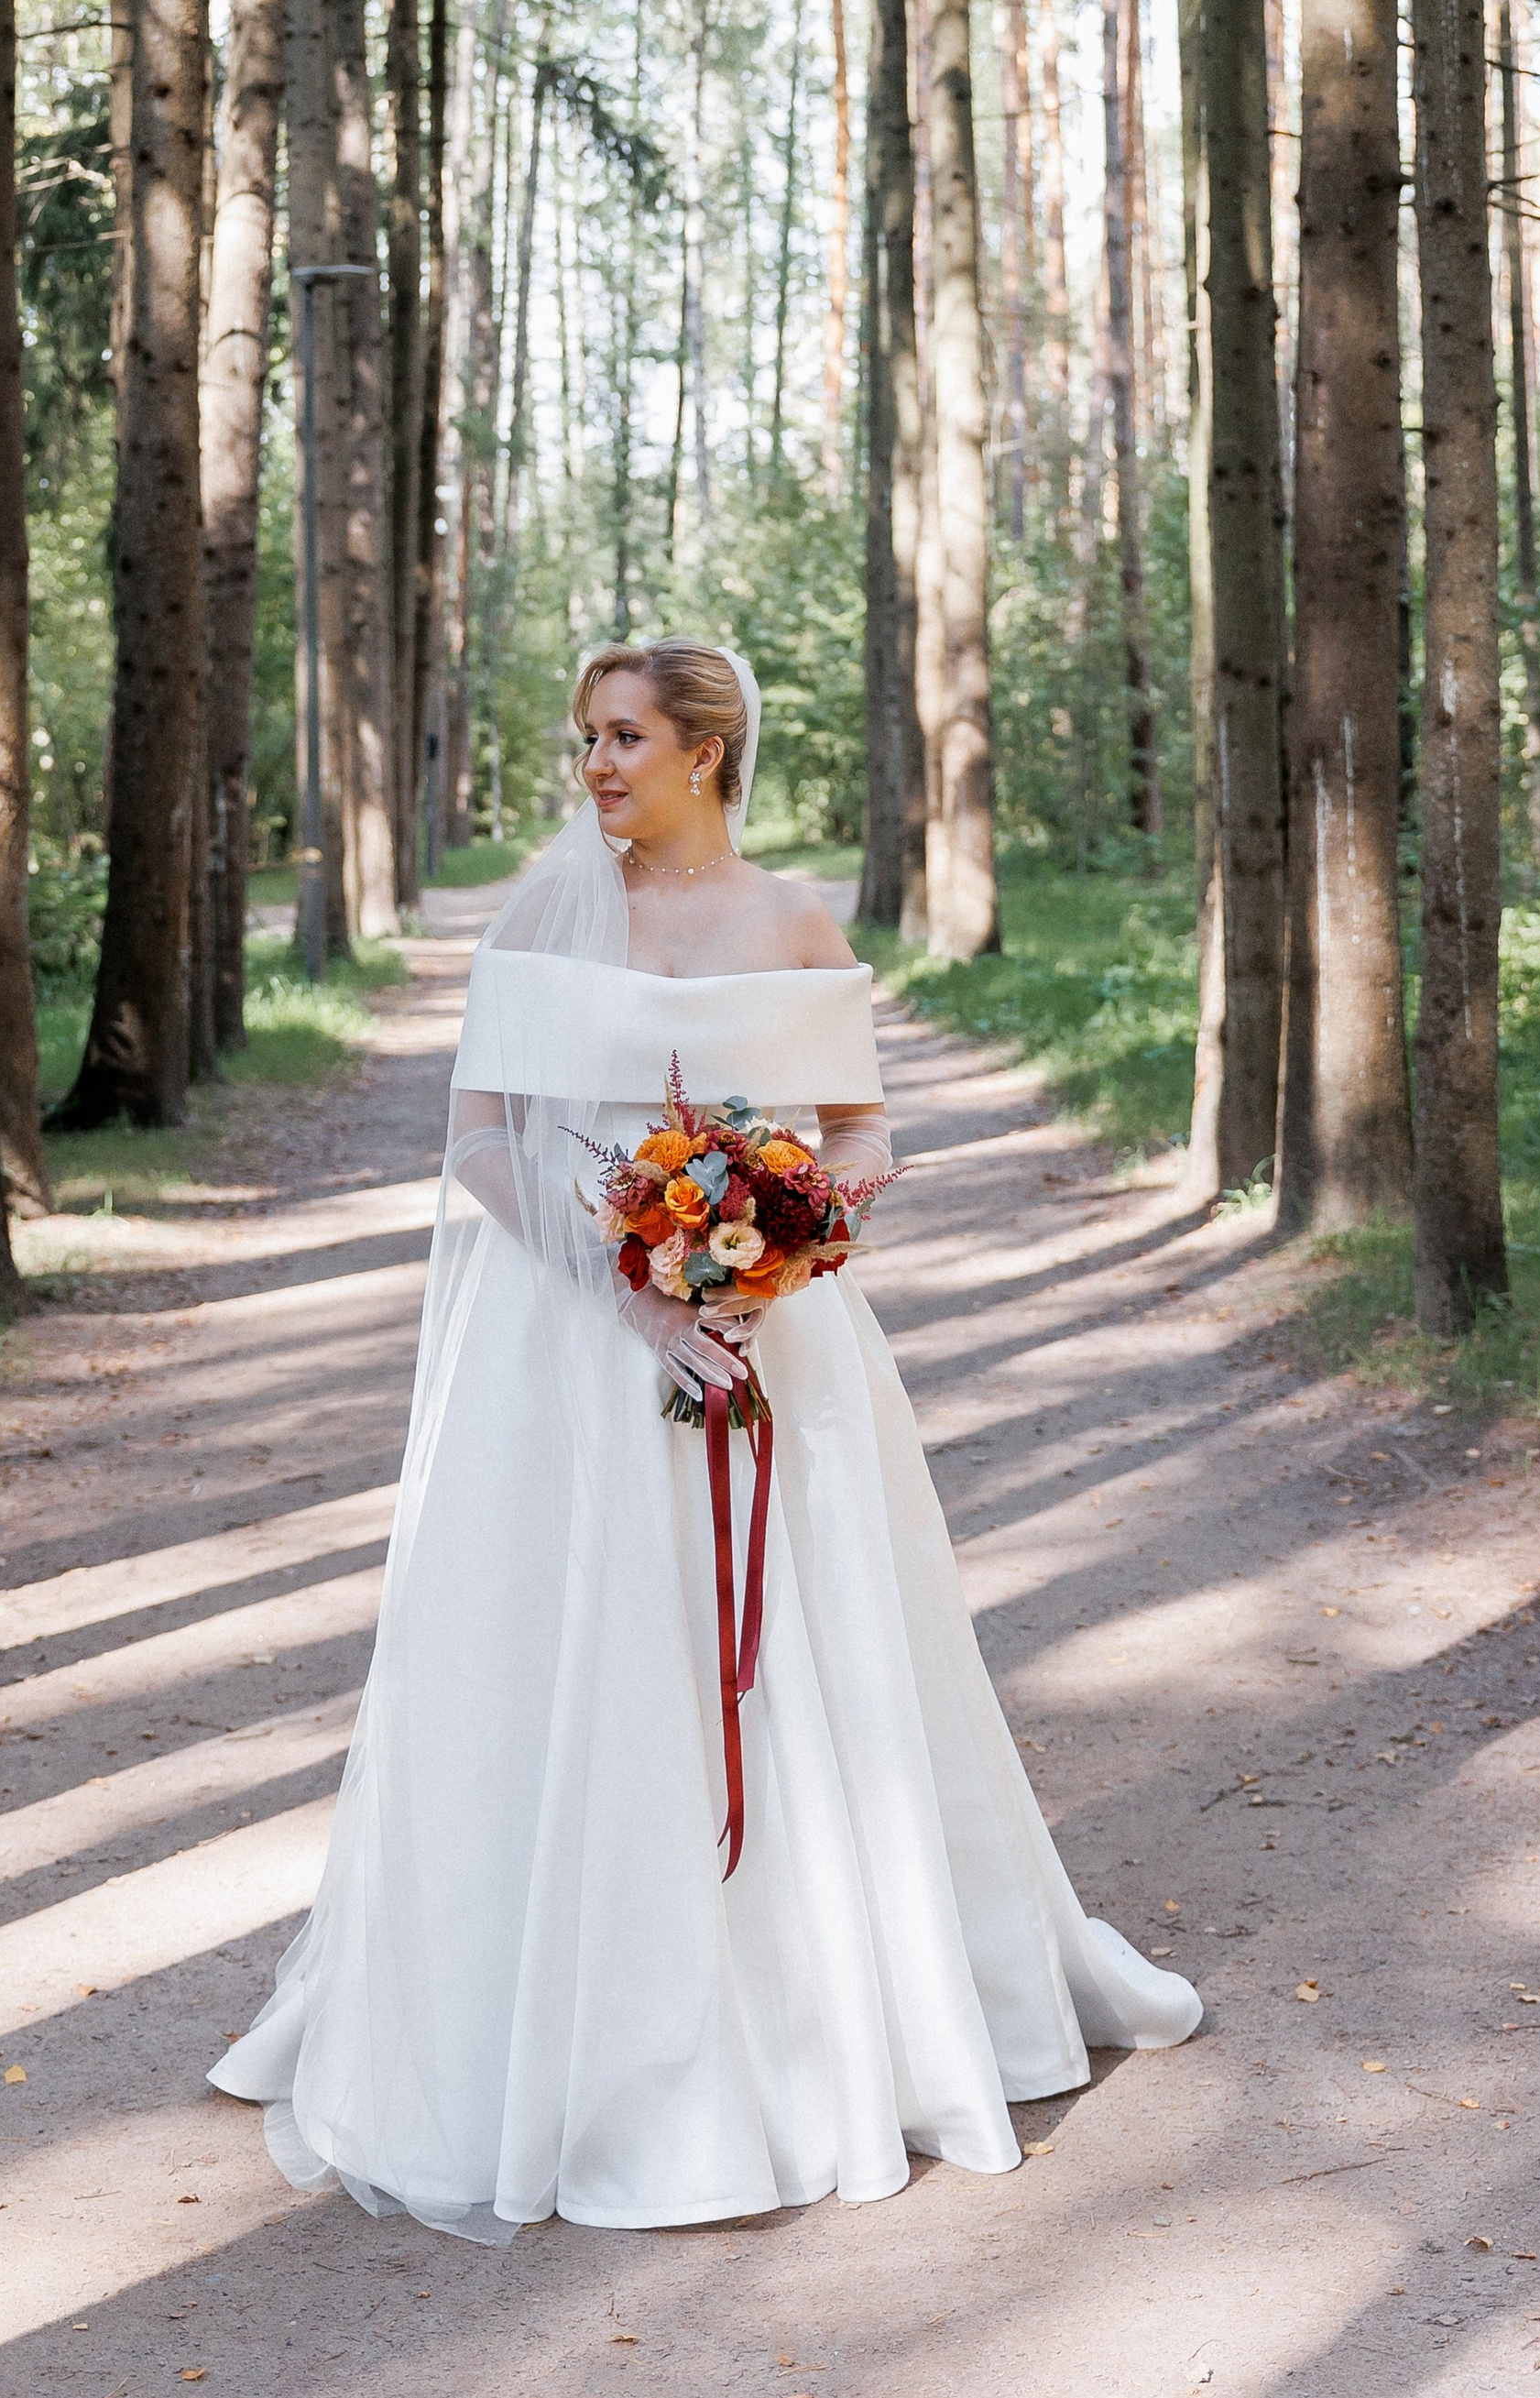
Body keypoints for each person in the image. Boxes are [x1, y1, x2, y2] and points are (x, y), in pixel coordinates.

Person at [211, 639, 1198, 2241]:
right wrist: (641, 1292)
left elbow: (862, 1132)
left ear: (705, 752)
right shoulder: (540, 921)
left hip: (773, 1358)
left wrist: (782, 1233)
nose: (596, 766)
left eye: (624, 738)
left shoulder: (791, 920)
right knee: (577, 1663)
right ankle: (557, 2032)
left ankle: (816, 2017)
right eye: (585, 737)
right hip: (572, 1361)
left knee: (806, 1672)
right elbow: (479, 1144)